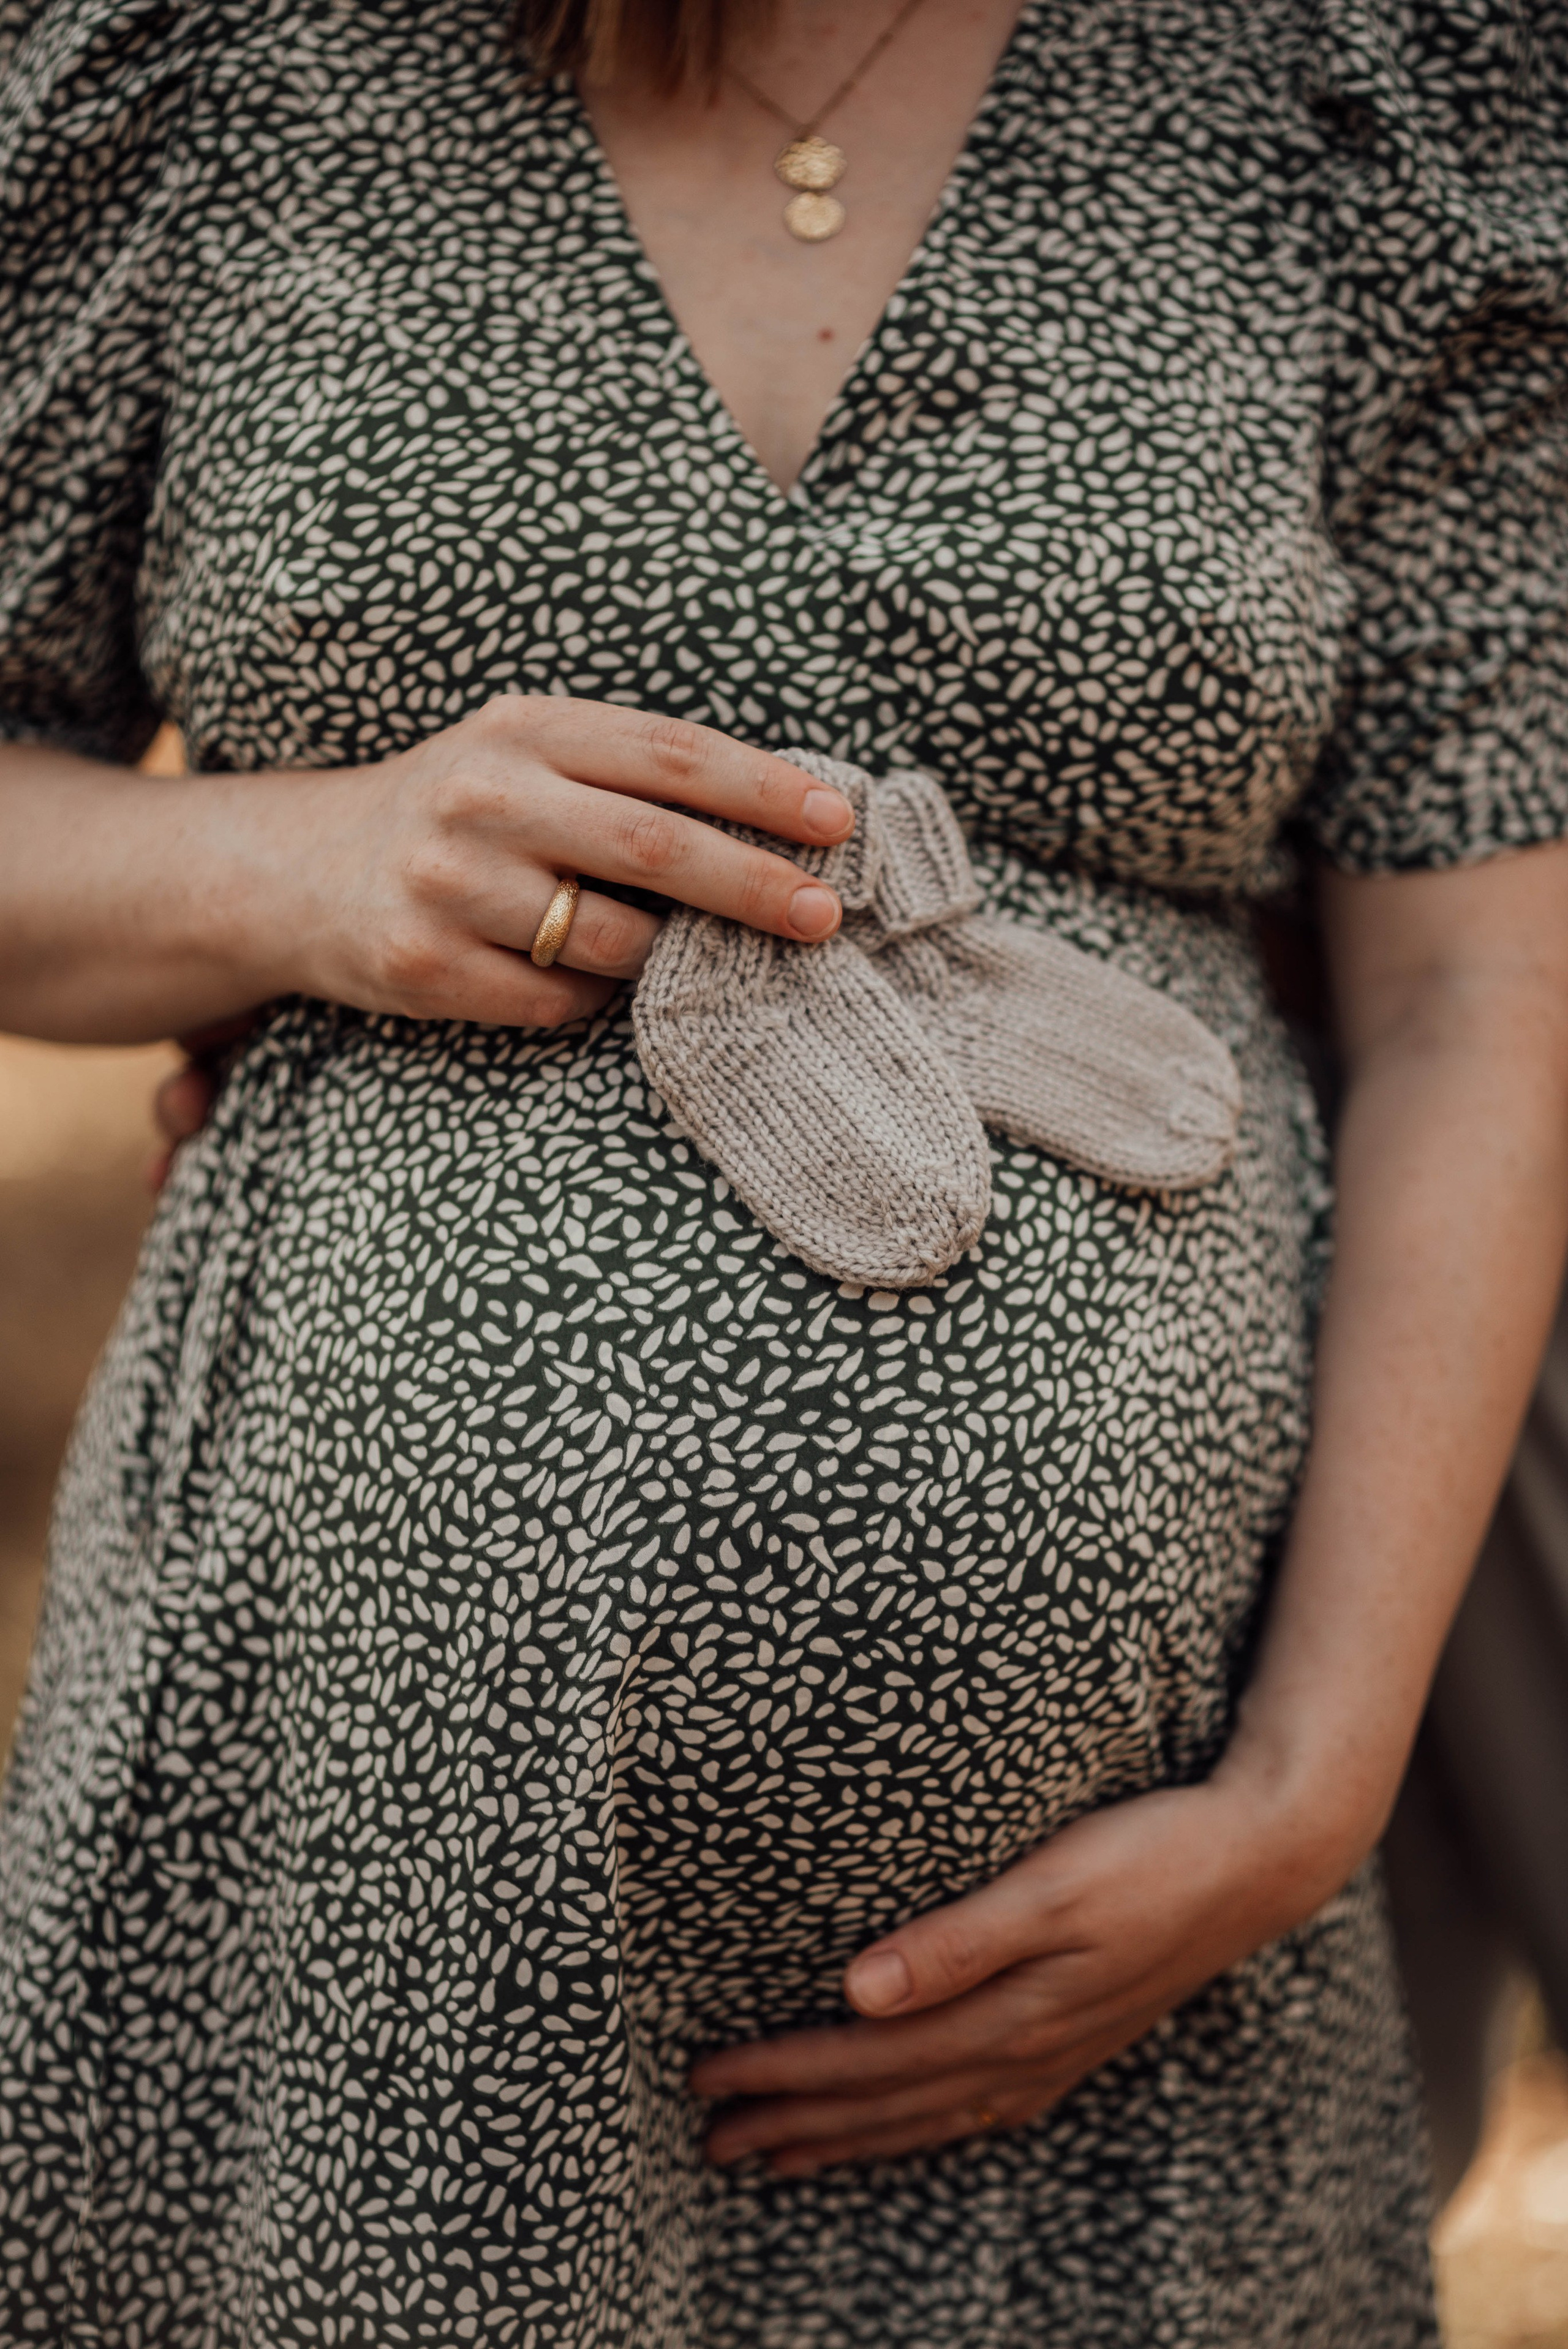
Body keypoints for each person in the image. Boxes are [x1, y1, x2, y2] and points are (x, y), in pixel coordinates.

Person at [1, 0, 1565, 2339]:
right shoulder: (197, 65)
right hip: (357, 1901)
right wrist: (300, 864)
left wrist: (1309, 1783)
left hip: (1131, 1963)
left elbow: (1485, 984)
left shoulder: (1372, 96)